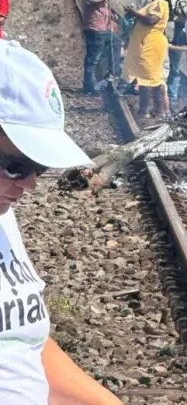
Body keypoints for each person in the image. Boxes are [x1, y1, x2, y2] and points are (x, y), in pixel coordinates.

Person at [0, 40, 124, 404]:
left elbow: (25, 346)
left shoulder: (3, 218)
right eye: (15, 165)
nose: (30, 183)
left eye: (38, 167)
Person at [121, 0, 171, 120]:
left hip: (151, 46)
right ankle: (153, 111)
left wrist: (134, 13)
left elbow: (151, 20)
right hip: (148, 45)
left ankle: (148, 111)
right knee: (149, 78)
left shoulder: (159, 3)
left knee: (149, 80)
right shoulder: (155, 3)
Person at [81, 0, 115, 95]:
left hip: (97, 25)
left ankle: (101, 79)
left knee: (112, 45)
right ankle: (89, 86)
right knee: (93, 58)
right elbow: (90, 0)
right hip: (96, 26)